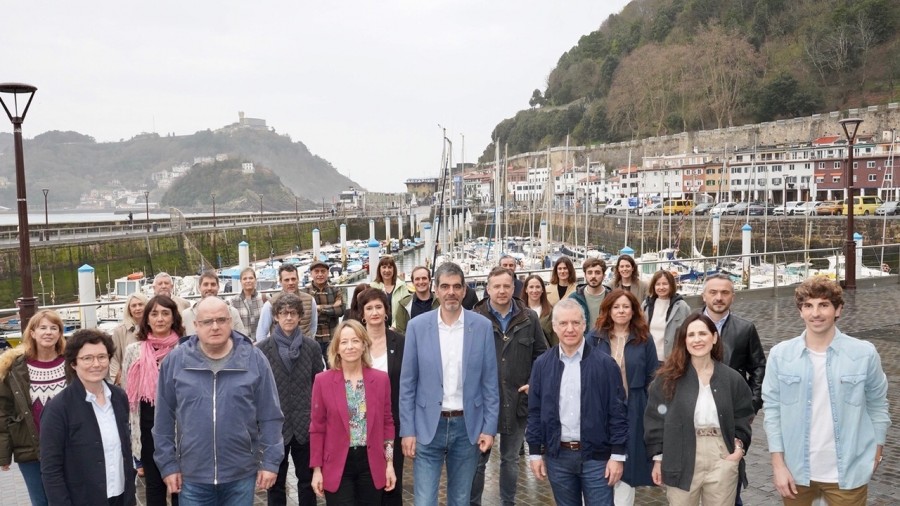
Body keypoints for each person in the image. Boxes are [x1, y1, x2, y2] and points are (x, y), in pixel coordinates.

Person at [762, 277, 890, 505]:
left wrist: (877, 450)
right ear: (800, 311)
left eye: (824, 305)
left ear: (838, 309)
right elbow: (772, 412)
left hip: (849, 473)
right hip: (796, 473)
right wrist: (778, 465)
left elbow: (878, 404)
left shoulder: (864, 353)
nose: (816, 313)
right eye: (808, 306)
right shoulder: (780, 355)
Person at [154, 297, 285, 504]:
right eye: (207, 321)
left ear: (230, 322)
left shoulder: (254, 359)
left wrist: (270, 462)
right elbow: (162, 420)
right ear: (195, 326)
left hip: (240, 474)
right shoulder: (176, 361)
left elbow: (271, 416)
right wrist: (168, 465)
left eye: (221, 320)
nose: (215, 327)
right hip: (192, 476)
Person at [399, 262, 499, 505]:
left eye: (456, 286)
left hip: (467, 427)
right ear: (436, 290)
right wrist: (408, 431)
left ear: (465, 290)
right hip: (427, 426)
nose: (451, 292)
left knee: (461, 499)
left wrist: (489, 427)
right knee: (423, 500)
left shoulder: (482, 326)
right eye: (445, 286)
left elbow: (490, 382)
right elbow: (407, 384)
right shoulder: (417, 327)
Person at [526, 298, 628, 505]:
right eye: (563, 323)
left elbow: (617, 413)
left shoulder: (605, 365)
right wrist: (535, 453)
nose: (570, 329)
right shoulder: (542, 365)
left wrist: (617, 456)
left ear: (584, 325)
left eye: (575, 323)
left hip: (596, 458)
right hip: (558, 457)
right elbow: (535, 412)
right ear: (554, 327)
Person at [644, 313, 753, 505]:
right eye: (691, 335)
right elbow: (655, 420)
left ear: (714, 337)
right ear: (684, 341)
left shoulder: (732, 378)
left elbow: (743, 415)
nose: (697, 340)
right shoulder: (667, 379)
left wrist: (738, 448)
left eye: (702, 333)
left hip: (720, 453)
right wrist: (658, 459)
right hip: (679, 453)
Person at [470, 266, 548, 506]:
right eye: (497, 286)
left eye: (507, 286)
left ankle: (508, 502)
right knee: (478, 461)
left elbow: (542, 354)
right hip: (483, 402)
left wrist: (533, 382)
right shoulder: (474, 317)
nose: (502, 291)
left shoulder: (528, 318)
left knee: (510, 459)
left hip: (518, 400)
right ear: (488, 289)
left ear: (514, 288)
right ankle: (473, 502)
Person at [40, 329, 136, 505]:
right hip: (83, 499)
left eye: (102, 356)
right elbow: (51, 469)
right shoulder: (58, 408)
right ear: (73, 364)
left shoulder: (119, 397)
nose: (96, 364)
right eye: (87, 358)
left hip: (121, 496)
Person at [310, 320, 396, 504]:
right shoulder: (322, 381)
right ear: (336, 348)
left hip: (371, 464)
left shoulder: (380, 380)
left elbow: (387, 423)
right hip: (337, 465)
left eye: (356, 341)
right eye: (344, 342)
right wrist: (317, 469)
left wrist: (389, 464)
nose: (350, 347)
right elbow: (317, 428)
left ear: (364, 344)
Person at [589, 289, 658, 504]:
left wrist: (651, 411)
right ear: (608, 310)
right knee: (600, 461)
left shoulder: (644, 339)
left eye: (625, 307)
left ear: (633, 311)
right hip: (601, 410)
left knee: (628, 464)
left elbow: (652, 376)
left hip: (635, 409)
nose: (621, 311)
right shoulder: (594, 337)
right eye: (616, 307)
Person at [257, 293, 324, 506]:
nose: (288, 317)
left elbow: (319, 384)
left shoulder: (311, 347)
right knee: (275, 481)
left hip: (305, 424)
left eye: (293, 313)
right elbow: (257, 390)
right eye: (283, 313)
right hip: (275, 426)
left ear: (299, 316)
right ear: (276, 317)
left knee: (306, 481)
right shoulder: (262, 349)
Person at [0, 309, 68, 506]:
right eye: (42, 328)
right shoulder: (14, 368)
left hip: (69, 448)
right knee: (41, 502)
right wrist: (4, 453)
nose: (48, 332)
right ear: (32, 333)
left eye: (53, 328)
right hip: (30, 450)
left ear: (60, 333)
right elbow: (3, 412)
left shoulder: (72, 364)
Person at [121, 295, 184, 506]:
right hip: (147, 428)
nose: (160, 319)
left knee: (180, 486)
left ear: (173, 318)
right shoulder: (133, 351)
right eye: (154, 314)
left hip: (180, 429)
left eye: (165, 313)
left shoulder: (184, 351)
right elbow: (126, 395)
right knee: (154, 487)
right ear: (146, 319)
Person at [356, 288, 406, 506]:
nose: (374, 312)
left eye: (378, 307)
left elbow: (407, 383)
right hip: (358, 424)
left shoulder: (400, 342)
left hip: (390, 423)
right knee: (364, 482)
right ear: (362, 314)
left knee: (391, 478)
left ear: (386, 311)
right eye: (369, 308)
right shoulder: (352, 342)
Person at [699, 274, 766, 415]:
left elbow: (758, 368)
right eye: (713, 292)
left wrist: (753, 404)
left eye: (725, 292)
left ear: (733, 297)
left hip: (733, 407)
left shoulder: (745, 329)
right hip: (695, 406)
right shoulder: (688, 328)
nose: (719, 297)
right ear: (704, 296)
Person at [257, 263, 318, 342]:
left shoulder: (310, 300)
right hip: (278, 351)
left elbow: (313, 327)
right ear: (280, 281)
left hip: (304, 350)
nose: (290, 283)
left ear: (298, 279)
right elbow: (261, 333)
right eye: (286, 280)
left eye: (293, 279)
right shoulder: (271, 304)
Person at [642, 270, 691, 362]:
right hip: (649, 357)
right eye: (658, 284)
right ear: (653, 286)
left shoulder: (681, 306)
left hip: (671, 359)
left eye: (665, 284)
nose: (661, 287)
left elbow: (688, 331)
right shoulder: (646, 305)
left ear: (671, 285)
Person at [182, 271, 247, 337]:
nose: (209, 288)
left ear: (218, 287)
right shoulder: (187, 315)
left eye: (213, 284)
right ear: (199, 288)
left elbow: (243, 340)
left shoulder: (232, 312)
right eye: (205, 284)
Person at [304, 260, 345, 359]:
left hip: (332, 336)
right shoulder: (305, 292)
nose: (320, 274)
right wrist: (331, 307)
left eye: (323, 271)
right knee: (315, 369)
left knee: (334, 366)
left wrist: (319, 308)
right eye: (316, 271)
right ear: (311, 273)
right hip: (312, 337)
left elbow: (341, 311)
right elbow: (305, 314)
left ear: (327, 273)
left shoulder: (335, 290)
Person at [109, 292, 147, 384]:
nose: (137, 308)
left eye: (140, 304)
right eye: (133, 306)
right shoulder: (119, 330)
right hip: (128, 379)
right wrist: (117, 379)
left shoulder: (153, 327)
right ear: (129, 309)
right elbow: (114, 357)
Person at [393, 265, 439, 334]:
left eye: (424, 278)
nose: (421, 282)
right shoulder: (403, 305)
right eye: (417, 279)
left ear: (429, 281)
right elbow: (400, 333)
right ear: (413, 282)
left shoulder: (440, 303)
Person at [569, 257, 611, 329]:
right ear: (585, 275)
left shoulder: (612, 297)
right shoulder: (574, 298)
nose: (593, 276)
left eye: (597, 273)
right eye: (589, 272)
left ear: (604, 276)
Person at [369, 256, 408, 327]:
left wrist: (394, 327)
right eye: (384, 267)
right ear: (379, 270)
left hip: (399, 328)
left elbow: (406, 308)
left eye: (390, 267)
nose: (387, 270)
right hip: (378, 328)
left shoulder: (402, 286)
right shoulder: (372, 287)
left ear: (394, 269)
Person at [230, 267, 267, 338]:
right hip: (242, 343)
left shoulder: (264, 298)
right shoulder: (233, 301)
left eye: (251, 278)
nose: (248, 281)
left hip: (262, 343)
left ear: (255, 280)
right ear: (240, 281)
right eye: (245, 278)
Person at [524, 274, 557, 346]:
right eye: (531, 287)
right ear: (526, 289)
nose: (534, 290)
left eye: (538, 287)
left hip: (545, 354)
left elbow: (555, 339)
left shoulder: (551, 312)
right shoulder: (519, 312)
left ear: (542, 289)